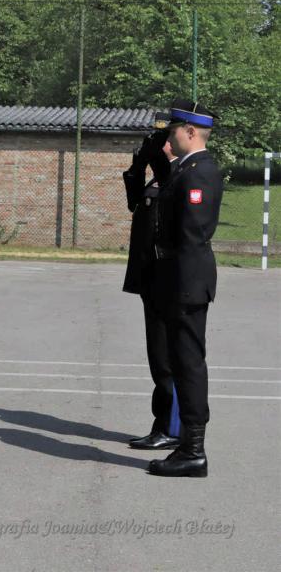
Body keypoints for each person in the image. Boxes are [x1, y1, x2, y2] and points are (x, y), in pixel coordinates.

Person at [147, 99, 223, 478]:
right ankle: (187, 446)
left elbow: (192, 236)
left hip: (187, 284)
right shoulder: (186, 168)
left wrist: (176, 287)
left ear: (190, 131)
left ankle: (194, 450)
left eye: (174, 130)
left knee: (189, 365)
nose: (169, 137)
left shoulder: (200, 173)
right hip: (178, 282)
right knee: (180, 362)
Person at [122, 113, 184, 451]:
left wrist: (158, 161)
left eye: (166, 139)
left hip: (167, 280)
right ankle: (162, 424)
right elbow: (134, 200)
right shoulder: (156, 180)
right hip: (150, 279)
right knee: (157, 357)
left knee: (166, 358)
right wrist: (138, 165)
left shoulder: (179, 176)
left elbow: (173, 195)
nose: (162, 144)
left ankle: (172, 429)